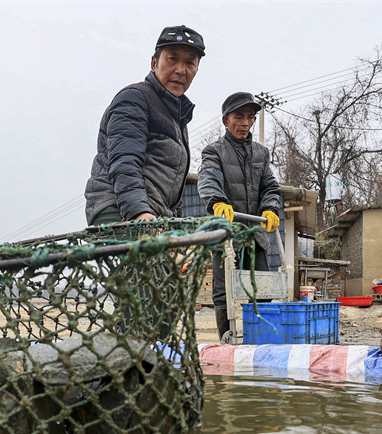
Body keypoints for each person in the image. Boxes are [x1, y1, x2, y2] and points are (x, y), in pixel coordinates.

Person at [85, 25, 205, 225]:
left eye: (190, 63)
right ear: (154, 63)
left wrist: (176, 224)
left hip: (156, 218)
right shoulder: (135, 99)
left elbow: (173, 189)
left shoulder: (178, 119)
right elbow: (125, 161)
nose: (181, 70)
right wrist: (139, 213)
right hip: (121, 211)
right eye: (172, 59)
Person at [197, 91, 284, 342]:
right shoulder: (214, 151)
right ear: (226, 120)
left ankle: (262, 342)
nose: (245, 123)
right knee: (224, 292)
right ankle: (227, 341)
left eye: (250, 117)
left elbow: (270, 186)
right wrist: (217, 201)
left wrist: (270, 207)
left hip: (255, 234)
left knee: (262, 290)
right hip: (226, 234)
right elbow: (208, 176)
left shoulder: (261, 153)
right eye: (239, 117)